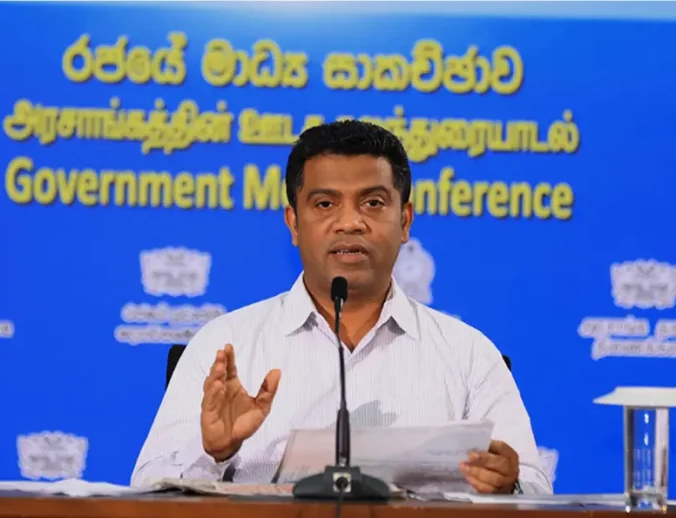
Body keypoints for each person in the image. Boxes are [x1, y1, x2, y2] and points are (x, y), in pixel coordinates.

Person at [131, 120, 552, 495]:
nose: (350, 222)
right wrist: (213, 453)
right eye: (325, 204)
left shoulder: (467, 354)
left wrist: (507, 484)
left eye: (373, 203)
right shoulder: (226, 345)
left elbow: (534, 486)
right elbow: (147, 487)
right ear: (294, 223)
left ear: (405, 221)